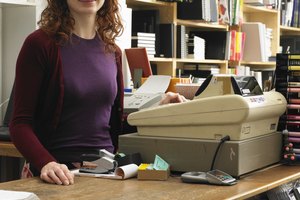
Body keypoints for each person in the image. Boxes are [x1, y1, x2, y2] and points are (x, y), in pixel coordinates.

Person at [9, 0, 187, 186]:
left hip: (106, 173)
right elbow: (20, 124)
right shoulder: (39, 44)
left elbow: (114, 128)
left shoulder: (113, 52)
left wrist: (157, 112)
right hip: (58, 176)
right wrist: (46, 163)